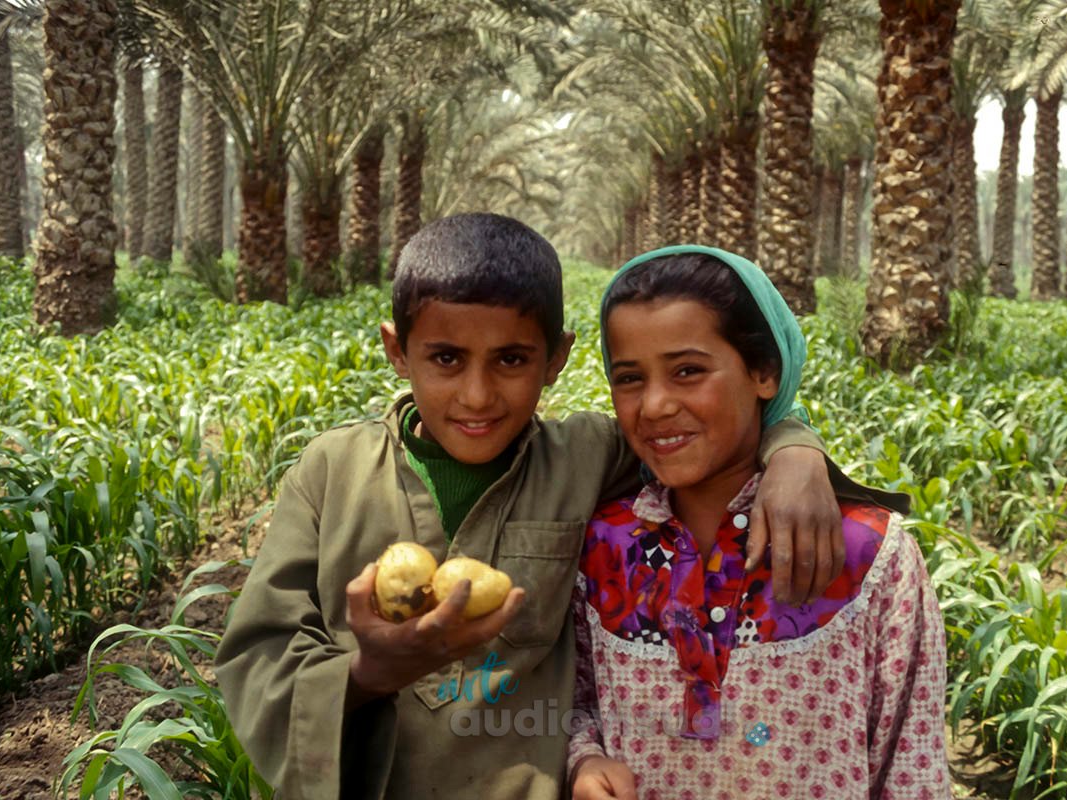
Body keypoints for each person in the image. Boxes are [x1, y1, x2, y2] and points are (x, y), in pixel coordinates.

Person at [215, 214, 855, 800]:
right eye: (445, 358)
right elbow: (257, 659)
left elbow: (702, 435)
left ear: (556, 359)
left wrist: (793, 445)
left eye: (511, 360)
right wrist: (370, 670)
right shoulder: (333, 472)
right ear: (395, 349)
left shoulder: (588, 457)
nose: (476, 394)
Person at [568, 245, 948, 800]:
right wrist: (584, 759)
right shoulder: (603, 546)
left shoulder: (868, 555)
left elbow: (910, 764)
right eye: (629, 378)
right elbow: (573, 703)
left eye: (688, 371)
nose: (653, 405)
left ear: (764, 371)